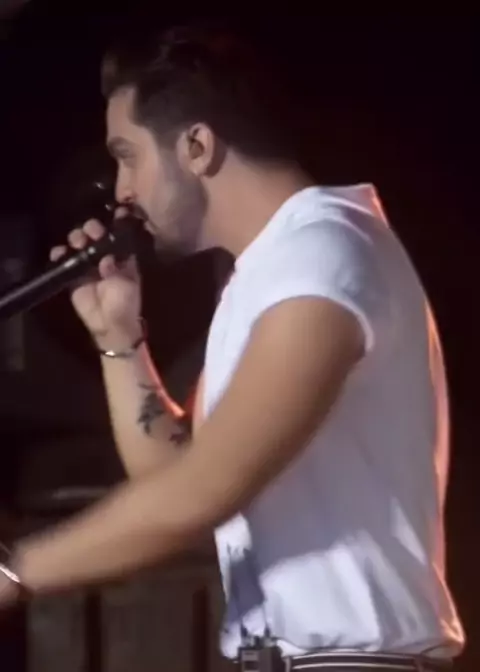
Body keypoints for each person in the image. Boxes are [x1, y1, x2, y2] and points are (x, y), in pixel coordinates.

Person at [0, 21, 464, 672]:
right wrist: (118, 337)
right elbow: (177, 479)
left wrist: (14, 573)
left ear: (197, 146)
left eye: (128, 155)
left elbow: (200, 493)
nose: (122, 189)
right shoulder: (266, 273)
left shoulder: (324, 253)